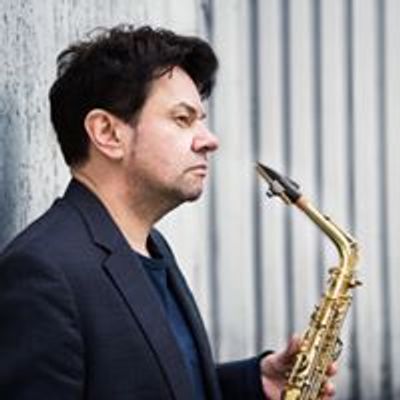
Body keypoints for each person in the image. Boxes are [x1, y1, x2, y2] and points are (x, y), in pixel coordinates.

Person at [0, 25, 336, 399]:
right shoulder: (42, 273)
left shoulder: (151, 245)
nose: (209, 140)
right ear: (107, 133)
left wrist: (254, 384)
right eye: (182, 119)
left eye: (200, 119)